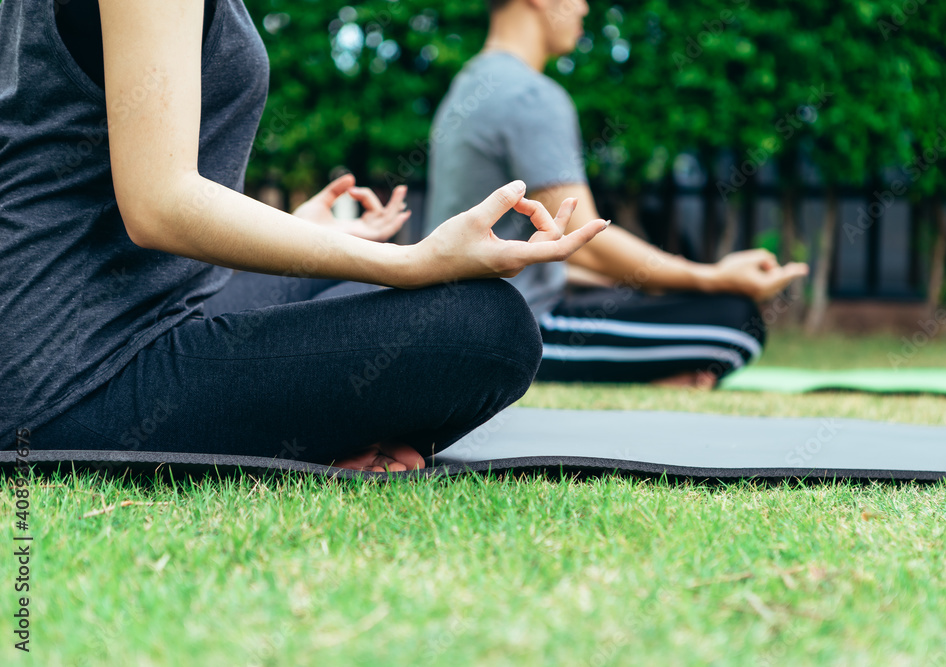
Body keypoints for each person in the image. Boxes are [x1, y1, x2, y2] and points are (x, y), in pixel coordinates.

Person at [0, 0, 609, 472]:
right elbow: (158, 204)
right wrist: (409, 261)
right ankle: (317, 431)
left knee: (344, 276)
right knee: (489, 329)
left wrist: (299, 234)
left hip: (127, 316)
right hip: (68, 379)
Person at [425, 0, 810, 387]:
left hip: (466, 319)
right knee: (736, 323)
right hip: (515, 329)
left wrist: (654, 282)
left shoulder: (467, 88)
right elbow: (584, 243)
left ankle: (664, 376)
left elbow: (536, 252)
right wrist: (713, 278)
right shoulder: (530, 95)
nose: (584, 7)